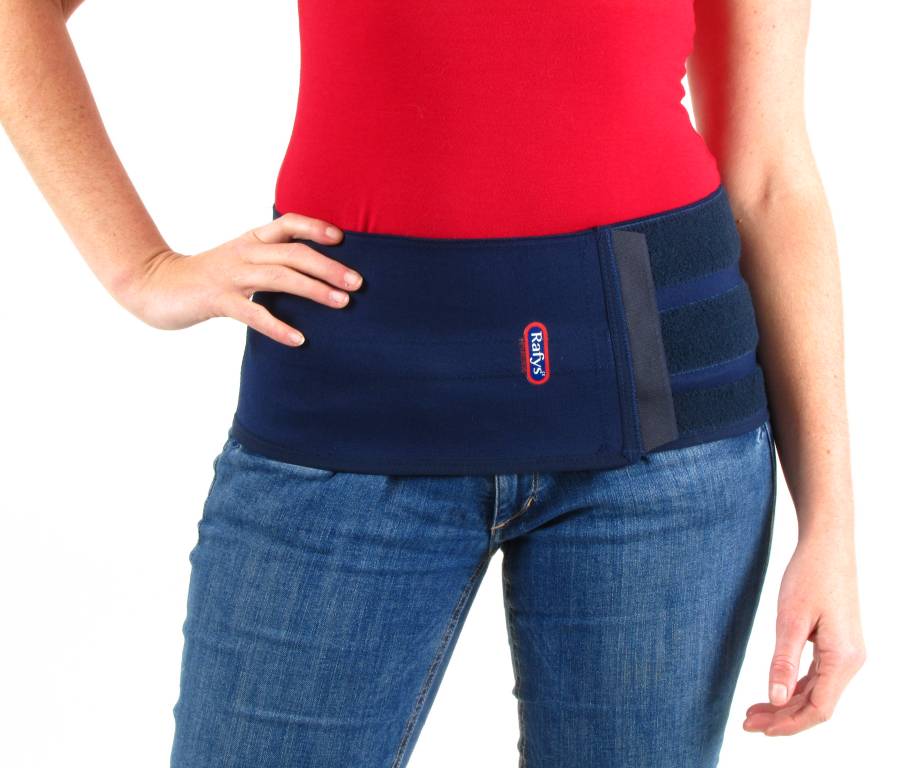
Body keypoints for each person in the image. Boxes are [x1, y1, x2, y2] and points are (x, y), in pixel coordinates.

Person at [0, 0, 866, 765]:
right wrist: (142, 270)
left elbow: (768, 177)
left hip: (662, 429)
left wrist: (830, 524)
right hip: (347, 402)